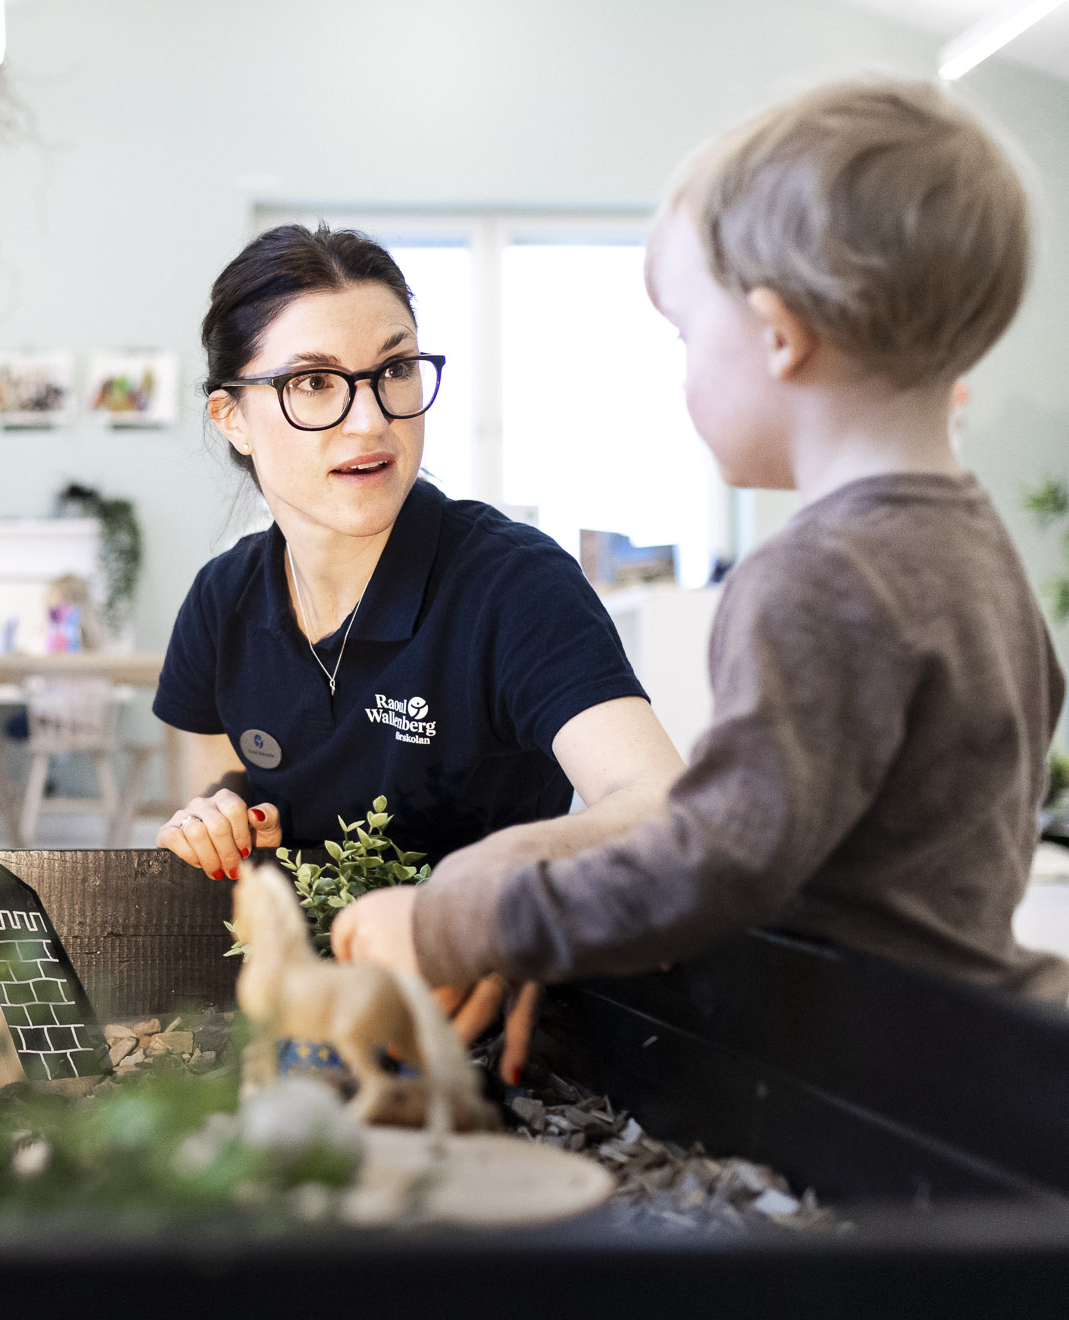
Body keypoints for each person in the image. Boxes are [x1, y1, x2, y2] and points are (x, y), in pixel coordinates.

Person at [333, 77, 1069, 1009]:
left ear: (777, 336)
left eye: (684, 332)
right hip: (943, 1022)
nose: (681, 369)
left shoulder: (818, 573)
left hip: (845, 1053)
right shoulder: (979, 551)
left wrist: (455, 922)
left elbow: (716, 863)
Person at [154, 224, 685, 890]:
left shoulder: (514, 584)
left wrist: (478, 895)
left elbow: (660, 808)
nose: (371, 420)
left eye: (395, 369)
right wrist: (213, 824)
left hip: (485, 980)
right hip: (300, 987)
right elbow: (226, 873)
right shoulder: (220, 603)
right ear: (231, 417)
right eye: (315, 380)